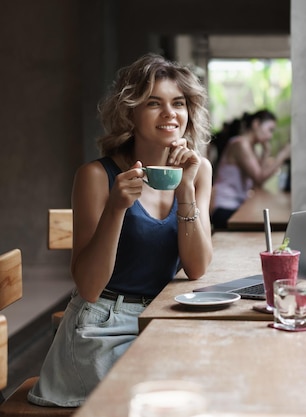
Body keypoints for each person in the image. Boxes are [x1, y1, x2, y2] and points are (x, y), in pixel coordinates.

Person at [28, 53, 214, 407]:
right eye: (153, 103)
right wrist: (116, 209)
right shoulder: (96, 176)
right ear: (130, 112)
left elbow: (197, 267)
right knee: (156, 402)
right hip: (102, 326)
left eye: (178, 103)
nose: (169, 114)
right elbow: (89, 286)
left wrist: (186, 190)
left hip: (162, 319)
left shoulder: (197, 169)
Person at [210, 109, 291, 229]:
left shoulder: (249, 146)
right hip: (223, 207)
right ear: (256, 124)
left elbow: (257, 180)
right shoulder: (240, 144)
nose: (270, 136)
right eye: (270, 130)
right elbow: (259, 178)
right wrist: (283, 155)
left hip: (235, 205)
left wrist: (266, 152)